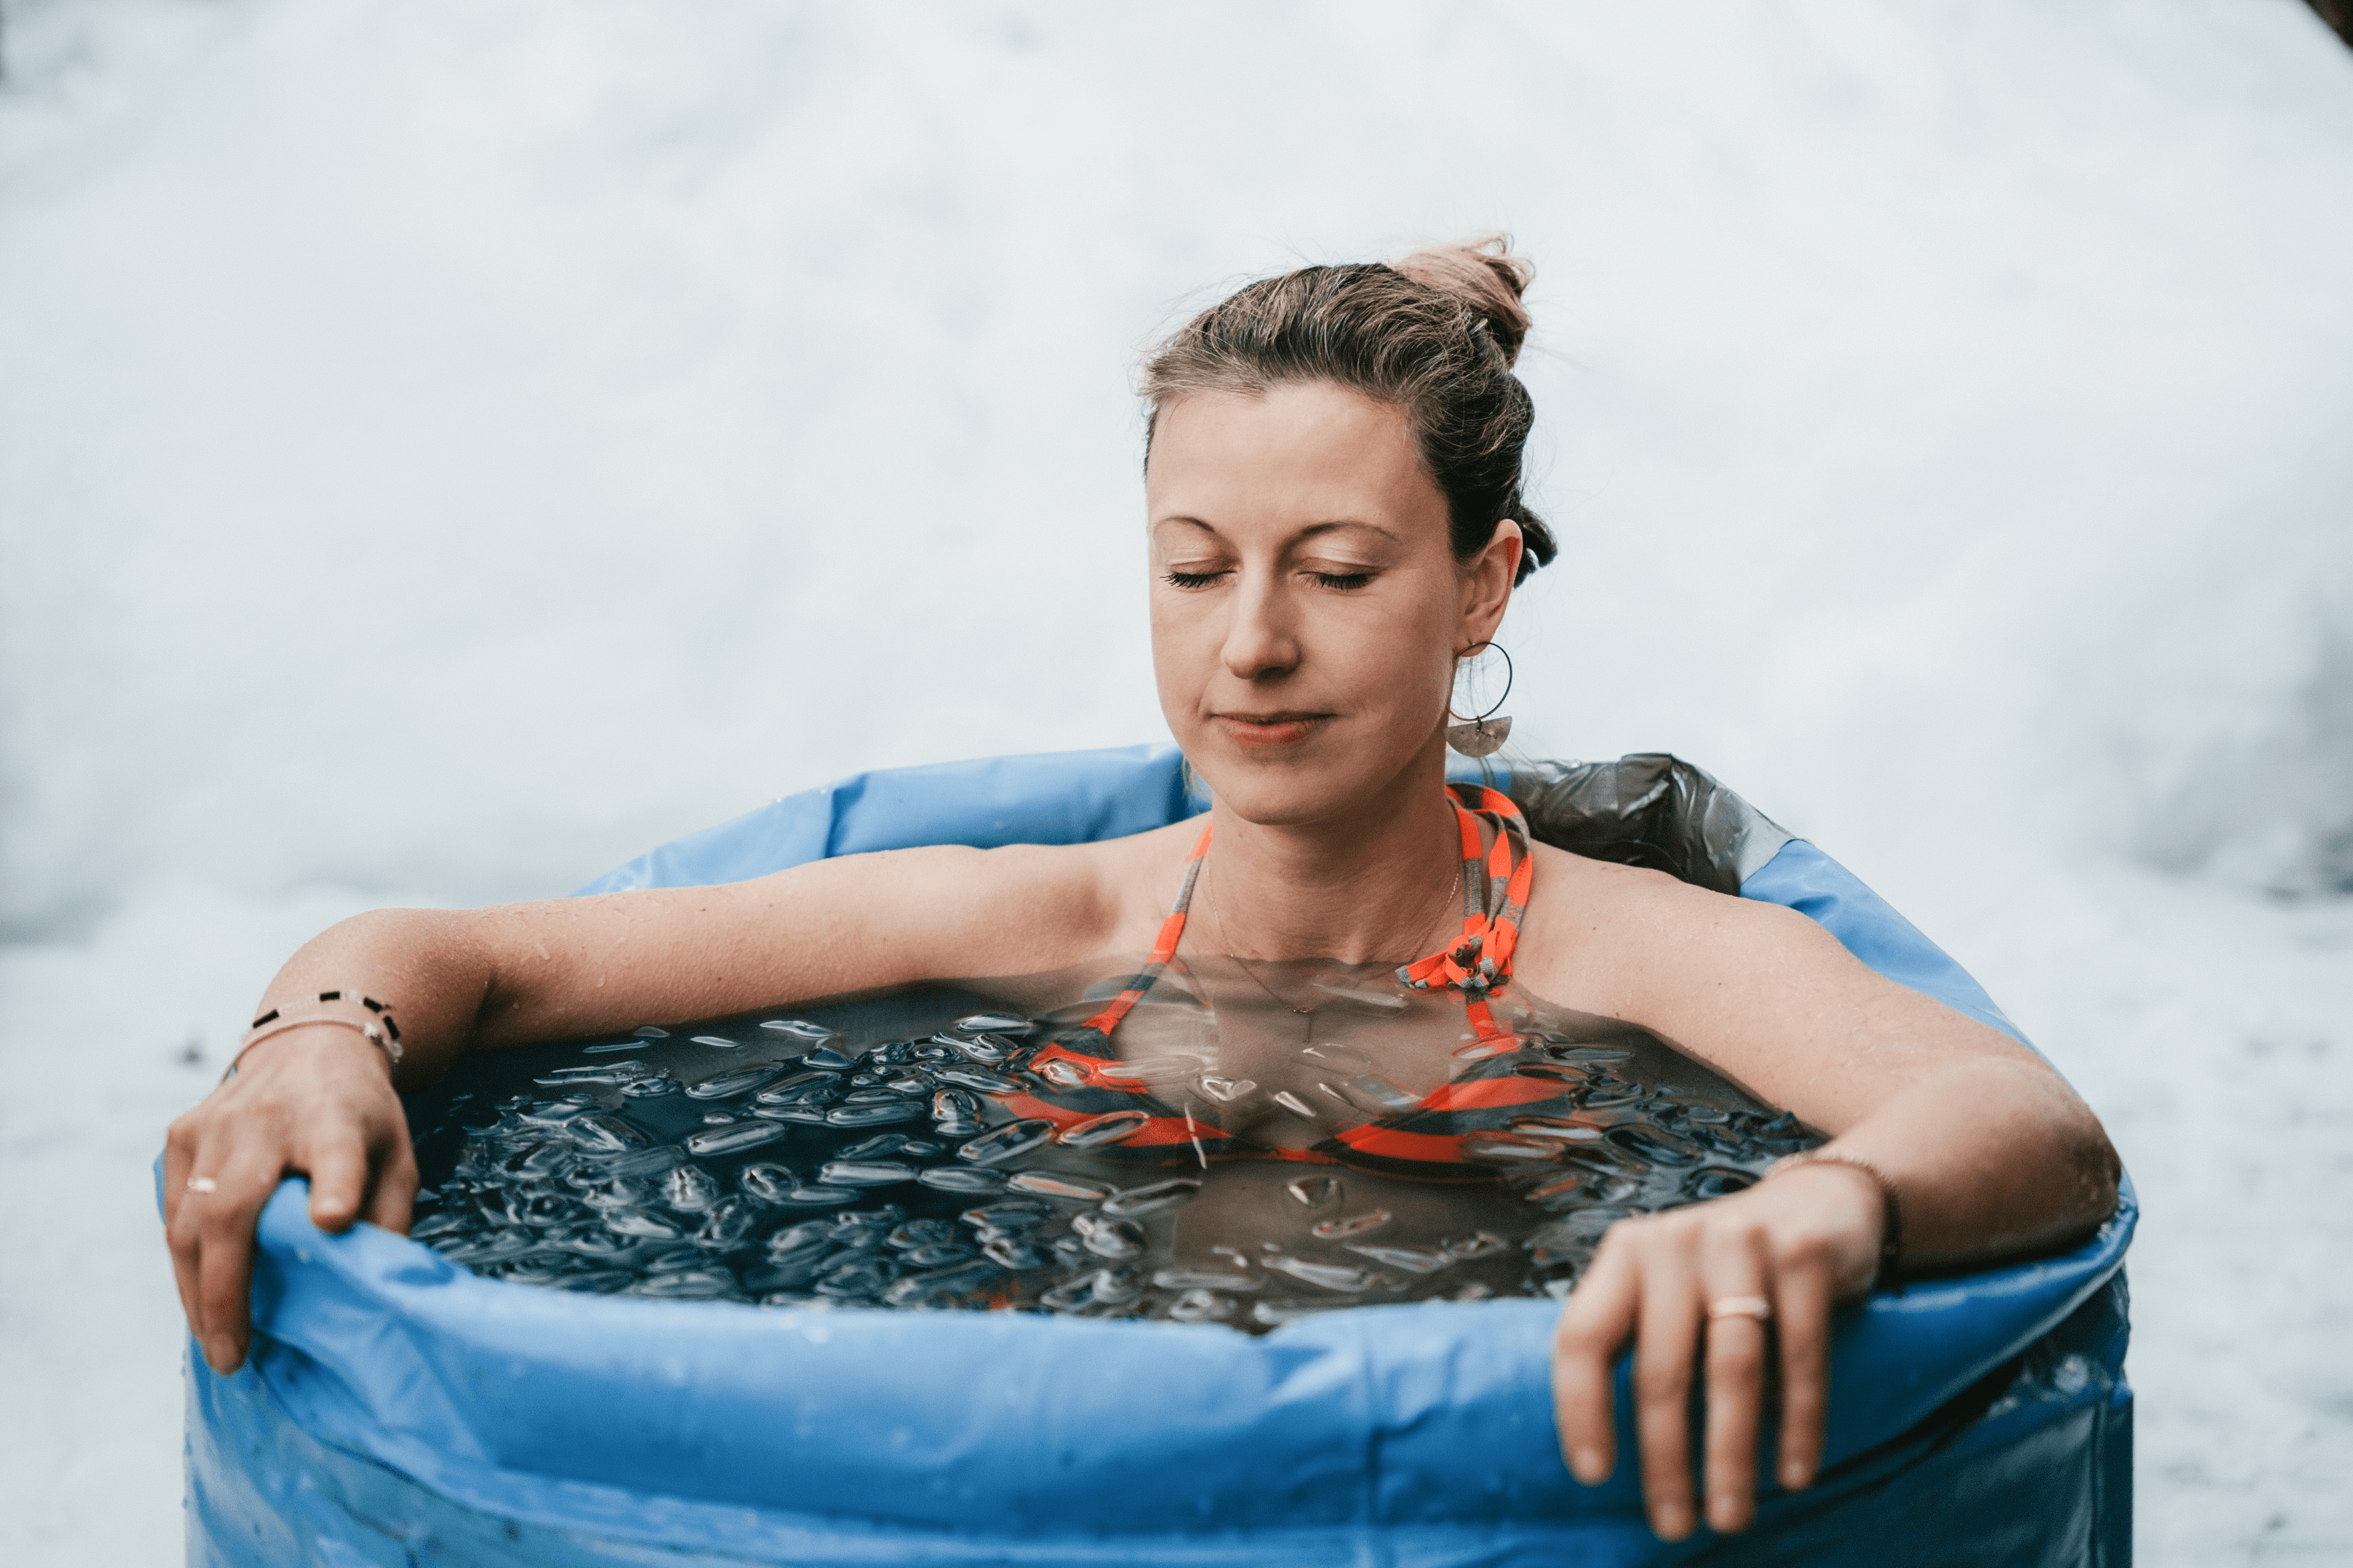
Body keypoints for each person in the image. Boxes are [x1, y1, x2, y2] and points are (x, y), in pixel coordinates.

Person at [163, 236, 2120, 1543]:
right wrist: (315, 1037)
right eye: (1195, 566)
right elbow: (478, 959)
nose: (1250, 644)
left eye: (1338, 571)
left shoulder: (1626, 948)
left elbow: (2021, 1121)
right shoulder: (1040, 921)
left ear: (1485, 583)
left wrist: (1817, 1207)